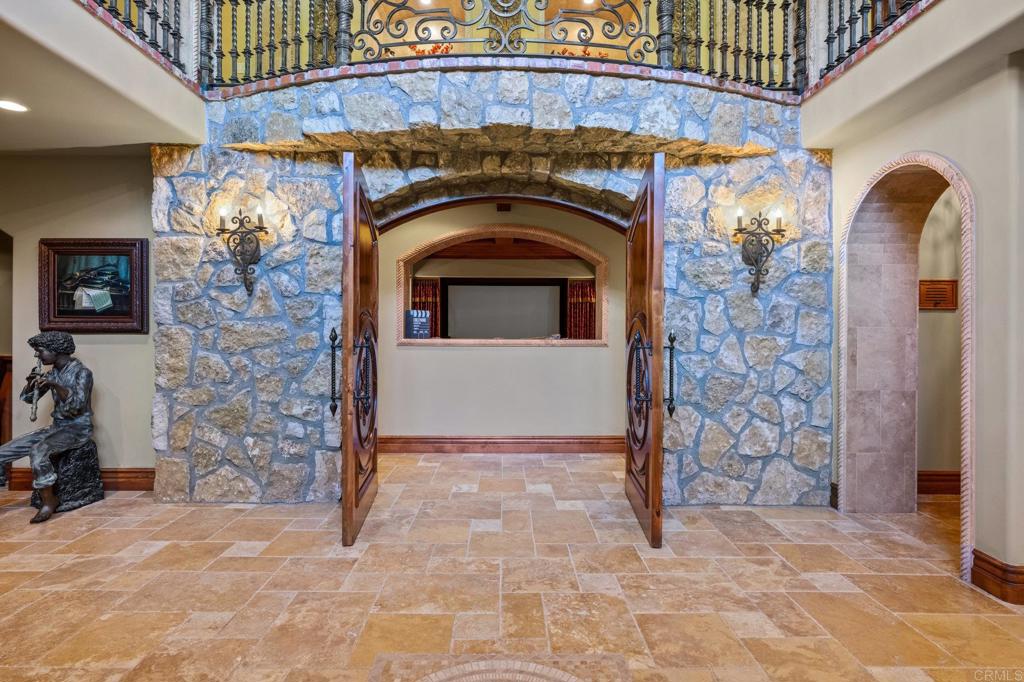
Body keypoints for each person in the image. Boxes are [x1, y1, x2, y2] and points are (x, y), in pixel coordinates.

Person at [0, 331, 94, 523]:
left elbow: (77, 405)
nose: (37, 355)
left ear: (56, 351)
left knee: (38, 450)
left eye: (40, 351)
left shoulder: (82, 373)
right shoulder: (53, 373)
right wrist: (30, 384)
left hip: (77, 429)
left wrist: (55, 384)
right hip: (57, 427)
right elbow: (27, 400)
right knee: (4, 451)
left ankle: (49, 500)